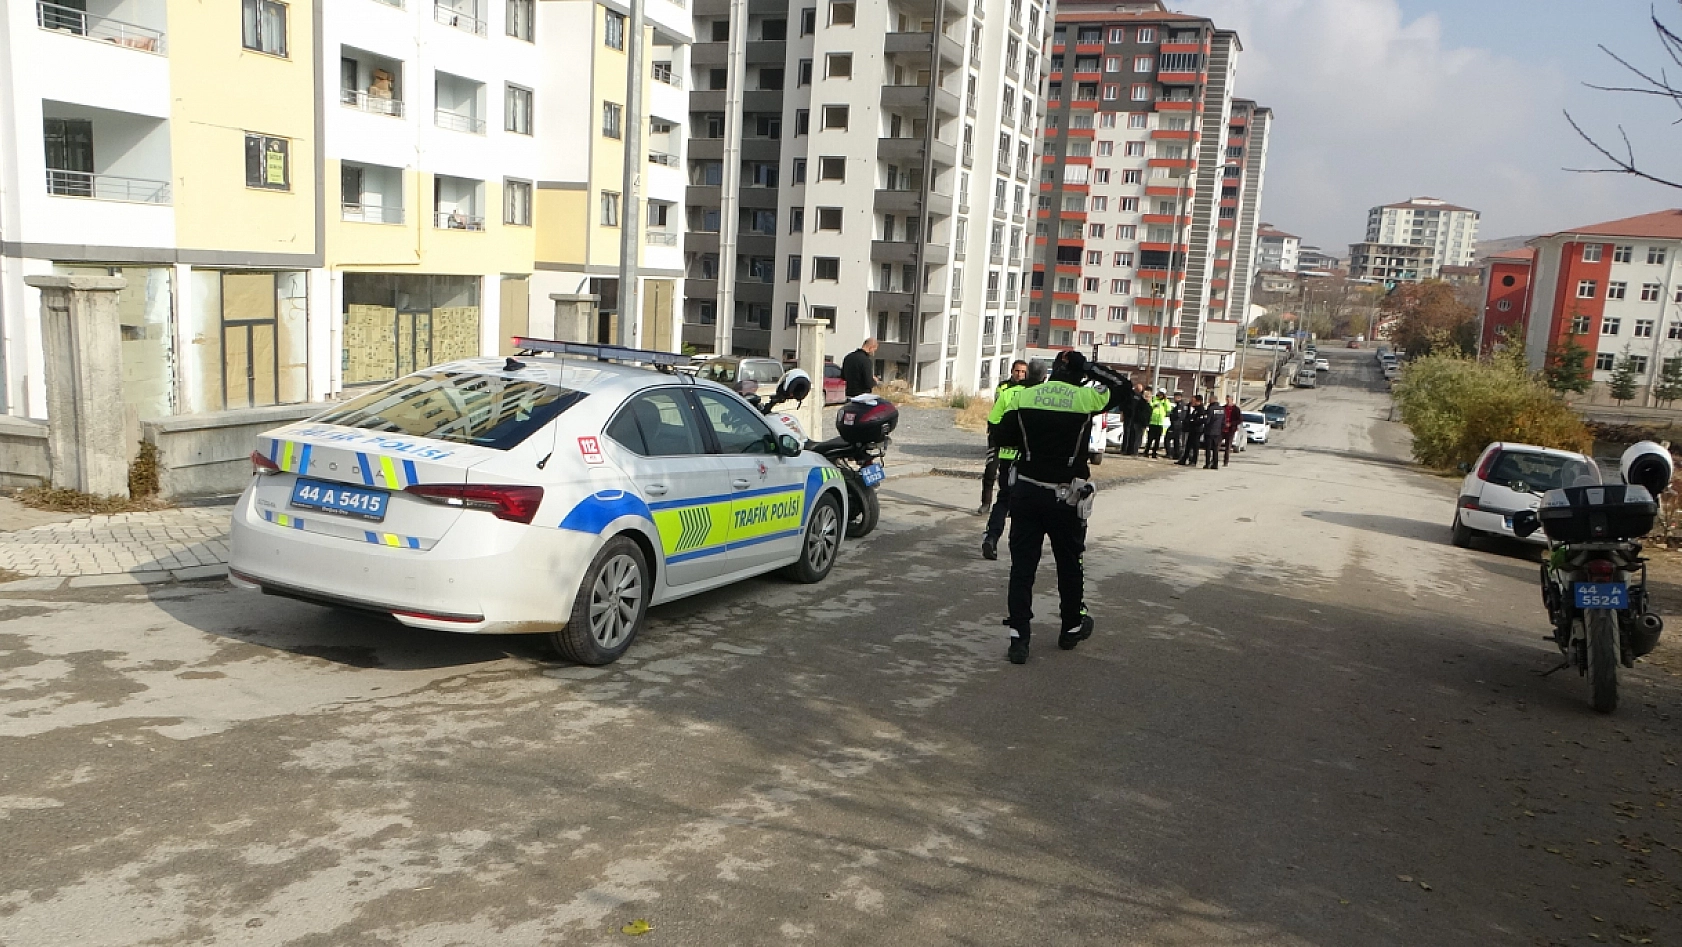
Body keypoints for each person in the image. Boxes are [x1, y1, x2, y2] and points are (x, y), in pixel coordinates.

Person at [991, 350, 1140, 664]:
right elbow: (1124, 387)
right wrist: (1092, 368)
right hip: (1066, 496)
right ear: (1079, 373)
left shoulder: (1026, 396)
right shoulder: (1086, 398)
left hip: (1028, 492)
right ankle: (1071, 627)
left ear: (1052, 370)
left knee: (1022, 568)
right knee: (1069, 563)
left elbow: (1001, 434)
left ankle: (1019, 638)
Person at [980, 361, 1040, 558]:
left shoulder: (1007, 394)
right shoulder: (1039, 396)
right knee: (1028, 503)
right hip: (1029, 459)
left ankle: (991, 537)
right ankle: (1022, 549)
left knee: (1004, 499)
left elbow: (993, 421)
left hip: (1007, 456)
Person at [979, 360, 1030, 516]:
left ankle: (1009, 504)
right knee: (990, 469)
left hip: (1016, 437)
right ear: (1012, 371)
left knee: (1012, 472)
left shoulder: (1029, 388)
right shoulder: (1003, 387)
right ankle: (985, 503)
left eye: (1023, 372)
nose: (1019, 374)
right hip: (998, 432)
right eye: (1017, 371)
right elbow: (998, 406)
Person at [1178, 395, 1207, 467]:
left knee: (1195, 446)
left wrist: (1192, 421)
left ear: (1198, 401)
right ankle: (1184, 459)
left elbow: (1200, 420)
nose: (1192, 402)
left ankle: (1193, 461)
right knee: (1188, 445)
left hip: (1197, 430)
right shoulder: (1194, 408)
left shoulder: (1201, 410)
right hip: (1192, 429)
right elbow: (1190, 417)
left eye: (1193, 401)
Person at [1124, 383, 1151, 455]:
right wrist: (1145, 424)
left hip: (1137, 422)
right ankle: (1134, 451)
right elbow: (1144, 415)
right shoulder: (1143, 404)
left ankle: (1131, 451)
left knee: (1134, 437)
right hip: (1139, 423)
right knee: (1137, 438)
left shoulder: (1142, 403)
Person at [1144, 389, 1169, 459]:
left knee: (1157, 440)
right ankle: (1146, 452)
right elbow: (1150, 405)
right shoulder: (1154, 399)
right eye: (1160, 393)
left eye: (1162, 394)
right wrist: (1154, 405)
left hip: (1160, 423)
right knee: (1150, 439)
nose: (1160, 395)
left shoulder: (1165, 401)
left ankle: (1154, 453)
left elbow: (1168, 409)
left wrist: (1165, 401)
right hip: (1152, 422)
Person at [1203, 396, 1225, 469]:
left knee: (1208, 448)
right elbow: (1223, 422)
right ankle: (1215, 464)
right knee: (1215, 449)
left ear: (1212, 400)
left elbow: (1207, 420)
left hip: (1209, 431)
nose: (1209, 400)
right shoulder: (1222, 409)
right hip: (1217, 432)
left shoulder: (1211, 409)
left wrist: (1203, 422)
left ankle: (1207, 464)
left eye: (1209, 399)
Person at [1165, 393, 1188, 461]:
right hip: (1178, 425)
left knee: (1168, 439)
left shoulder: (1180, 406)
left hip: (1176, 425)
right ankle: (1176, 454)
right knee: (1176, 440)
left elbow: (1178, 416)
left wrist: (1171, 415)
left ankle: (1170, 453)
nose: (1174, 399)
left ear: (1178, 397)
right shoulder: (1183, 405)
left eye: (1175, 397)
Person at [1221, 396, 1243, 466]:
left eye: (1229, 400)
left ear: (1232, 400)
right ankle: (1213, 460)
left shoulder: (1236, 409)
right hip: (1222, 429)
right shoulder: (1223, 408)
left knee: (1228, 447)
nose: (1227, 401)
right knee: (1217, 445)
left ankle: (1226, 462)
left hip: (1231, 430)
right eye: (1226, 400)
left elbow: (1240, 420)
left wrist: (1231, 424)